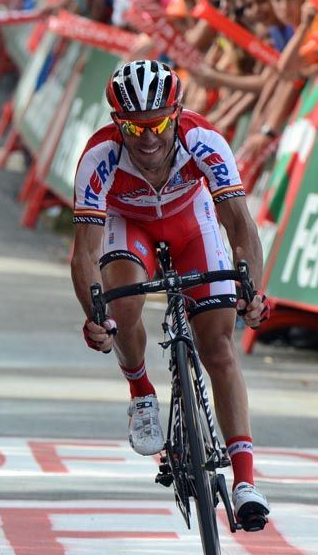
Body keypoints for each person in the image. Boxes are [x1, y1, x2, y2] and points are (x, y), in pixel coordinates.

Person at [70, 59, 271, 530]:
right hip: (128, 224)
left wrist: (251, 290)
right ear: (117, 123)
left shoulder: (203, 140)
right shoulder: (99, 157)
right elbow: (85, 253)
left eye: (158, 124)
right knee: (122, 303)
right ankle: (141, 391)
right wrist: (95, 315)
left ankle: (245, 482)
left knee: (218, 345)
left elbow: (239, 224)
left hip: (190, 221)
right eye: (134, 127)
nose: (148, 138)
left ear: (176, 114)